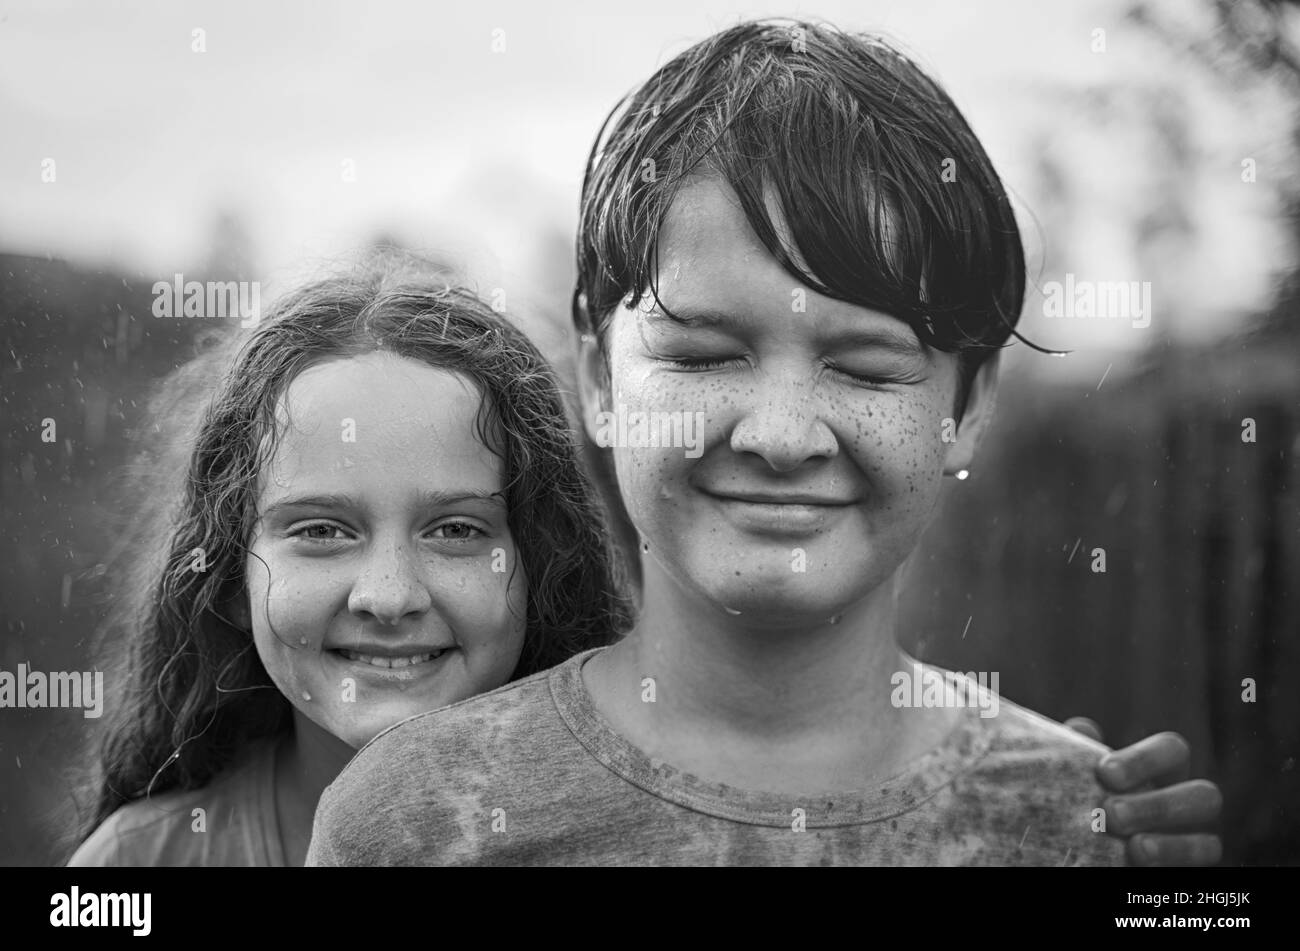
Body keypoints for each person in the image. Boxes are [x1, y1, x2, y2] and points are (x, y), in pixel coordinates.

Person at [307, 20, 1222, 866]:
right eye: (705, 356)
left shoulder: (1091, 828)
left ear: (970, 403)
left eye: (864, 368)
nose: (782, 436)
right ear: (598, 377)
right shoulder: (415, 821)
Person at [67, 261, 630, 865]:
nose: (389, 596)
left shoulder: (640, 840)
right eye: (321, 531)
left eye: (456, 529)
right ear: (231, 578)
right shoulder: (135, 861)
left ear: (542, 569)